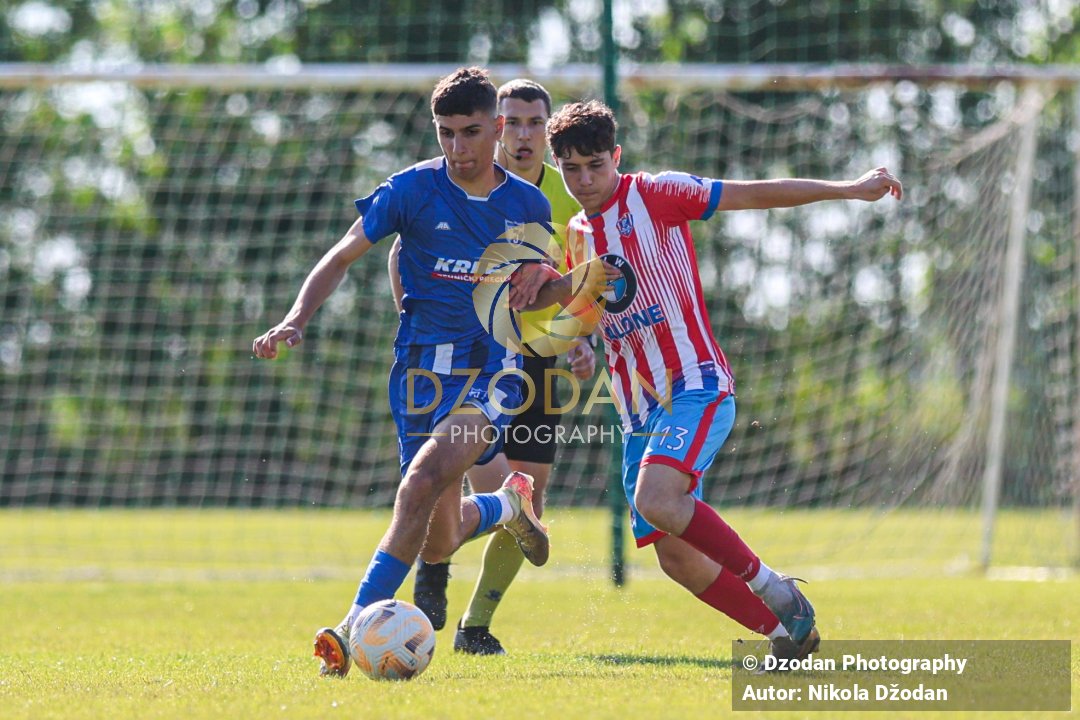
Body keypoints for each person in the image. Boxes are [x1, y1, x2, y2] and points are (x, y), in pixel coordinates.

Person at [521, 100, 902, 660]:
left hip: (694, 383)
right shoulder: (577, 233)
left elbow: (753, 193)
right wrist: (572, 335)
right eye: (571, 169)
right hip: (636, 413)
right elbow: (589, 305)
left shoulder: (656, 193)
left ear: (616, 157)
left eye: (595, 166)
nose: (584, 180)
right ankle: (786, 635)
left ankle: (773, 586)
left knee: (657, 496)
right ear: (559, 165)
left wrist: (847, 189)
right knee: (675, 556)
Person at [252, 67, 555, 678]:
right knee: (437, 538)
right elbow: (341, 256)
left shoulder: (528, 203)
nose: (458, 148)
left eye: (471, 133)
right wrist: (295, 317)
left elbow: (539, 286)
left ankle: (348, 628)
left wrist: (545, 287)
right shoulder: (411, 190)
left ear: (496, 129)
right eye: (446, 133)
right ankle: (507, 506)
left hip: (491, 373)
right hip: (418, 376)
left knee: (417, 484)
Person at [388, 79, 596, 655]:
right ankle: (434, 572)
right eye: (516, 122)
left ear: (549, 132)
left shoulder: (564, 197)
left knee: (530, 498)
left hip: (541, 362)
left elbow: (586, 276)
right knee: (478, 482)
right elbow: (401, 251)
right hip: (471, 358)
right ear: (499, 126)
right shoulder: (460, 181)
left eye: (537, 124)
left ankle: (475, 627)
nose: (525, 134)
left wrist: (581, 336)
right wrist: (414, 318)